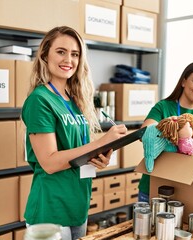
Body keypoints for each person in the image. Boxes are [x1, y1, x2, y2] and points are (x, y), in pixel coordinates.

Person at [21, 26, 127, 239]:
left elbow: (77, 150)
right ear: (45, 55)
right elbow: (49, 163)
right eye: (61, 51)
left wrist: (100, 156)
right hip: (50, 209)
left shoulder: (76, 99)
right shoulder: (40, 100)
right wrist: (100, 142)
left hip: (78, 204)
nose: (68, 59)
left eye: (75, 54)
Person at [138, 61, 193, 203]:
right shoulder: (163, 106)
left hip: (189, 188)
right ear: (184, 81)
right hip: (154, 184)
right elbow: (146, 131)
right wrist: (171, 128)